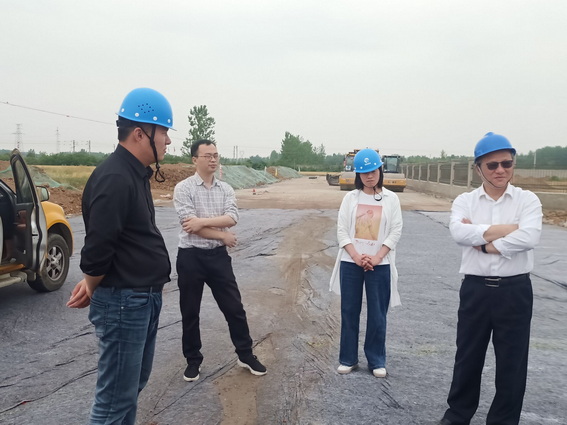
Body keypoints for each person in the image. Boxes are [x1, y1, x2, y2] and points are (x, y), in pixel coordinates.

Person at [66, 87, 173, 425]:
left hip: (139, 299)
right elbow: (98, 248)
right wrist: (91, 283)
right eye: (164, 132)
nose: (168, 140)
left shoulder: (133, 173)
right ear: (140, 133)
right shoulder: (115, 177)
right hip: (125, 302)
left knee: (128, 391)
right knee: (113, 401)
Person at [438, 132, 542, 425]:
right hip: (476, 289)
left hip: (515, 290)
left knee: (512, 362)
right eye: (492, 165)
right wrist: (511, 228)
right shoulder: (465, 201)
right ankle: (458, 415)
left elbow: (530, 237)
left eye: (506, 163)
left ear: (513, 164)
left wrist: (483, 242)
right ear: (478, 168)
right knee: (467, 356)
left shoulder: (527, 199)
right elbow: (459, 233)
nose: (500, 170)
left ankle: (503, 420)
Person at [173, 139, 267, 382]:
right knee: (190, 311)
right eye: (207, 156)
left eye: (215, 155)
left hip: (218, 258)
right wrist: (222, 235)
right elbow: (189, 226)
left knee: (234, 308)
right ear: (195, 160)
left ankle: (245, 354)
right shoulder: (183, 188)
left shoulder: (225, 189)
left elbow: (232, 217)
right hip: (190, 256)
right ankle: (193, 360)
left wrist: (202, 222)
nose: (213, 159)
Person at [329, 148, 403, 378]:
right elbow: (342, 231)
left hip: (379, 264)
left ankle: (376, 360)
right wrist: (356, 256)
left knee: (378, 313)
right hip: (351, 262)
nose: (370, 176)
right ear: (358, 175)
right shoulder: (350, 199)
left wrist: (377, 257)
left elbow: (396, 230)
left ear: (380, 170)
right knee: (349, 311)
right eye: (364, 172)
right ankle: (348, 358)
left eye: (373, 171)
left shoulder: (391, 199)